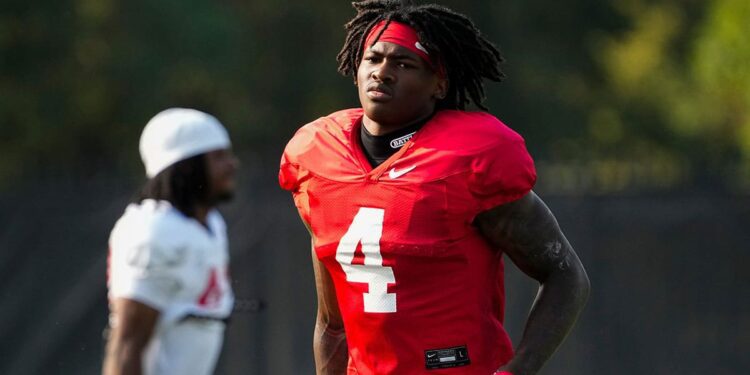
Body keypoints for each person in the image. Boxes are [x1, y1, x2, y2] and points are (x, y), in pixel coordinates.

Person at [279, 1, 590, 374]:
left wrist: (518, 369)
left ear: (439, 84)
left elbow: (565, 275)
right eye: (372, 59)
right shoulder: (318, 157)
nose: (382, 73)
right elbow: (332, 323)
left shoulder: (468, 157)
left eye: (403, 64)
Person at [103, 108, 238, 375]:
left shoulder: (211, 225)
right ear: (187, 164)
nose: (232, 164)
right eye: (219, 156)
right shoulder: (153, 232)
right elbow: (126, 345)